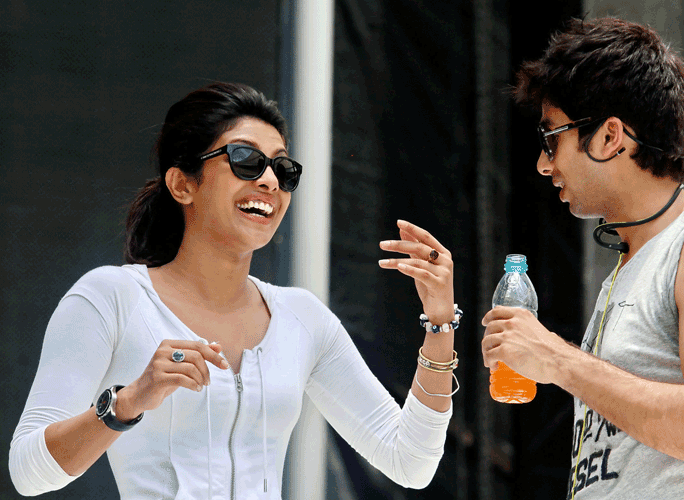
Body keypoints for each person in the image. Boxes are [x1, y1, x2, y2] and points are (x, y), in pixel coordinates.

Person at [10, 82, 461, 499]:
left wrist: (440, 323)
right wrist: (128, 402)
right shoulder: (110, 298)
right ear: (182, 184)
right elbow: (28, 472)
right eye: (245, 159)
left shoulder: (303, 318)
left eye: (283, 169)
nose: (268, 181)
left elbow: (410, 462)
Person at [481, 18, 684, 499]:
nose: (543, 162)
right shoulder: (633, 263)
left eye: (553, 137)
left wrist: (558, 360)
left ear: (610, 136)